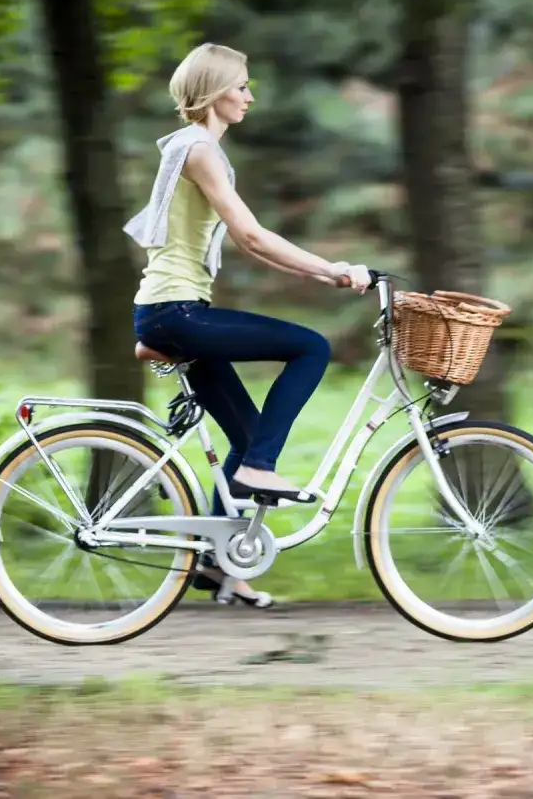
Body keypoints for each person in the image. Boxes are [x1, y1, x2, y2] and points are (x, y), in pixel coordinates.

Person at [126, 42, 371, 605]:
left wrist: (322, 274)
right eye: (241, 86)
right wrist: (332, 268)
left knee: (242, 435)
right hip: (176, 312)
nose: (249, 96)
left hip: (175, 311)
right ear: (214, 91)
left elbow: (251, 244)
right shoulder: (199, 150)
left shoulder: (198, 148)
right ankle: (261, 468)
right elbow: (252, 234)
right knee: (310, 347)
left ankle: (218, 567)